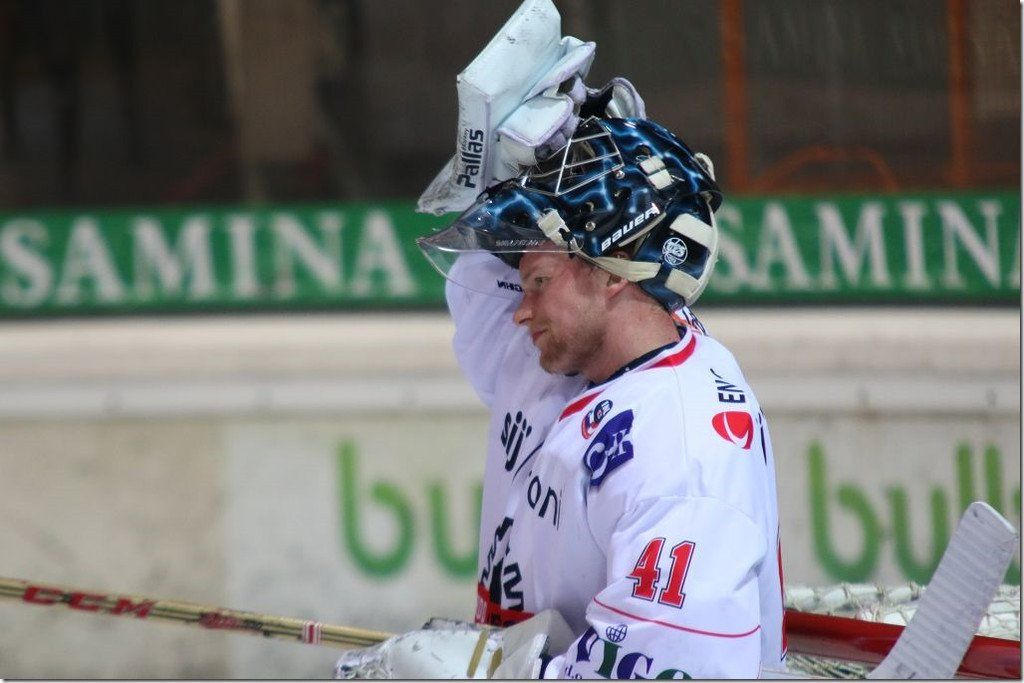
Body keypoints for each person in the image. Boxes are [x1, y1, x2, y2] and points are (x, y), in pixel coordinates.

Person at [410, 114, 786, 679]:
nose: (520, 310)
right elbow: (485, 291)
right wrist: (524, 160)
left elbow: (672, 669)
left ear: (614, 273)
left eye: (540, 282)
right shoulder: (565, 358)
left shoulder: (682, 457)